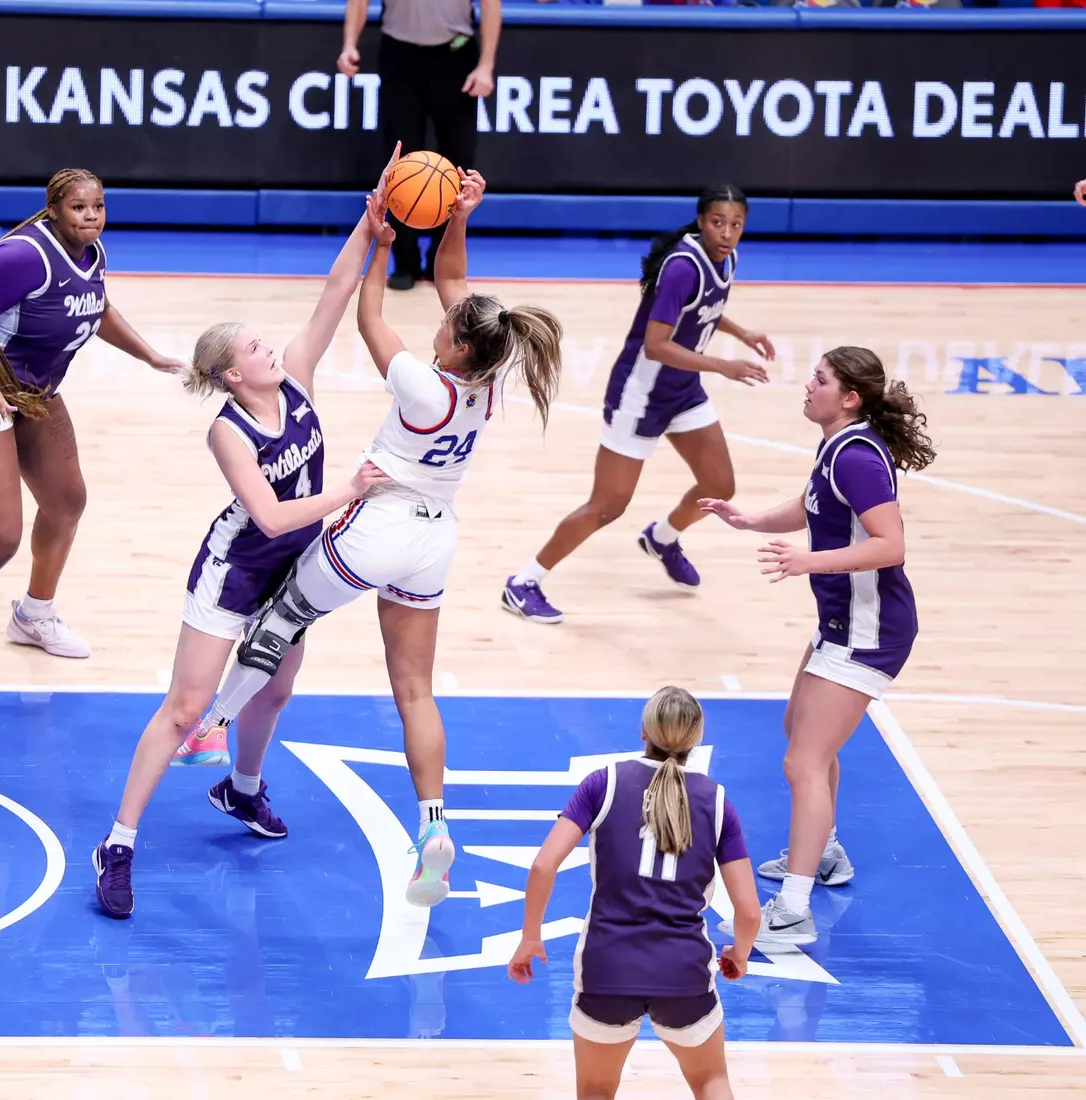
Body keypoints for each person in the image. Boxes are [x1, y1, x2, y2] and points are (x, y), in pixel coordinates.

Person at [187, 171, 564, 908]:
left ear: (455, 345)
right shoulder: (485, 376)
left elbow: (367, 319)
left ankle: (217, 723)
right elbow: (454, 275)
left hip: (378, 521)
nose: (441, 322)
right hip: (436, 540)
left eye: (447, 326)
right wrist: (457, 216)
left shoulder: (427, 385)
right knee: (415, 691)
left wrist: (385, 249)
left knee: (285, 615)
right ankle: (432, 829)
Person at [91, 154, 402, 919]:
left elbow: (333, 296)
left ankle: (241, 787)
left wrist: (370, 227)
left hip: (292, 573)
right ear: (234, 376)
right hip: (233, 572)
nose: (271, 348)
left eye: (266, 343)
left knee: (275, 690)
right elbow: (268, 517)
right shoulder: (227, 432)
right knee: (184, 707)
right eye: (254, 350)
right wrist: (349, 492)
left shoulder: (296, 376)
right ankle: (119, 842)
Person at [0, 169, 183, 702]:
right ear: (54, 209)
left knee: (67, 502)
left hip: (33, 390)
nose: (91, 216)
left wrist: (149, 355)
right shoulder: (23, 256)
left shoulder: (92, 253)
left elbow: (94, 309)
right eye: (79, 208)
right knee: (0, 535)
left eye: (98, 206)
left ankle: (34, 615)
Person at [702, 346, 935, 944]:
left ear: (849, 397)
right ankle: (825, 852)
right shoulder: (838, 446)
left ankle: (796, 906)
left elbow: (891, 545)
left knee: (802, 760)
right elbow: (811, 505)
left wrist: (811, 563)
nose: (809, 386)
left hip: (871, 631)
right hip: (843, 622)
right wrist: (750, 520)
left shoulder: (857, 456)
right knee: (800, 735)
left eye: (821, 379)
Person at [502, 185, 774, 624]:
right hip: (640, 395)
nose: (727, 233)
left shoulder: (726, 260)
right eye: (718, 223)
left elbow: (703, 309)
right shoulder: (683, 267)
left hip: (683, 393)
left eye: (736, 224)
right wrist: (723, 364)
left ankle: (662, 538)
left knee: (719, 486)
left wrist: (743, 333)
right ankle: (523, 582)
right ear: (701, 221)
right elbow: (656, 345)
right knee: (607, 506)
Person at [508, 686, 759, 1100]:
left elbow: (542, 865)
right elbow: (749, 912)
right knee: (711, 1081)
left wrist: (530, 936)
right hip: (683, 970)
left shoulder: (603, 783)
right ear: (695, 741)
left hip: (607, 967)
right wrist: (740, 954)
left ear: (644, 731)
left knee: (596, 1088)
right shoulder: (717, 802)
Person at [338, 0, 499, 290]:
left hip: (456, 51)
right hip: (399, 53)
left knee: (457, 163)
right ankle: (404, 262)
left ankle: (443, 261)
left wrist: (486, 66)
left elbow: (491, 6)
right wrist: (350, 43)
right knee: (400, 161)